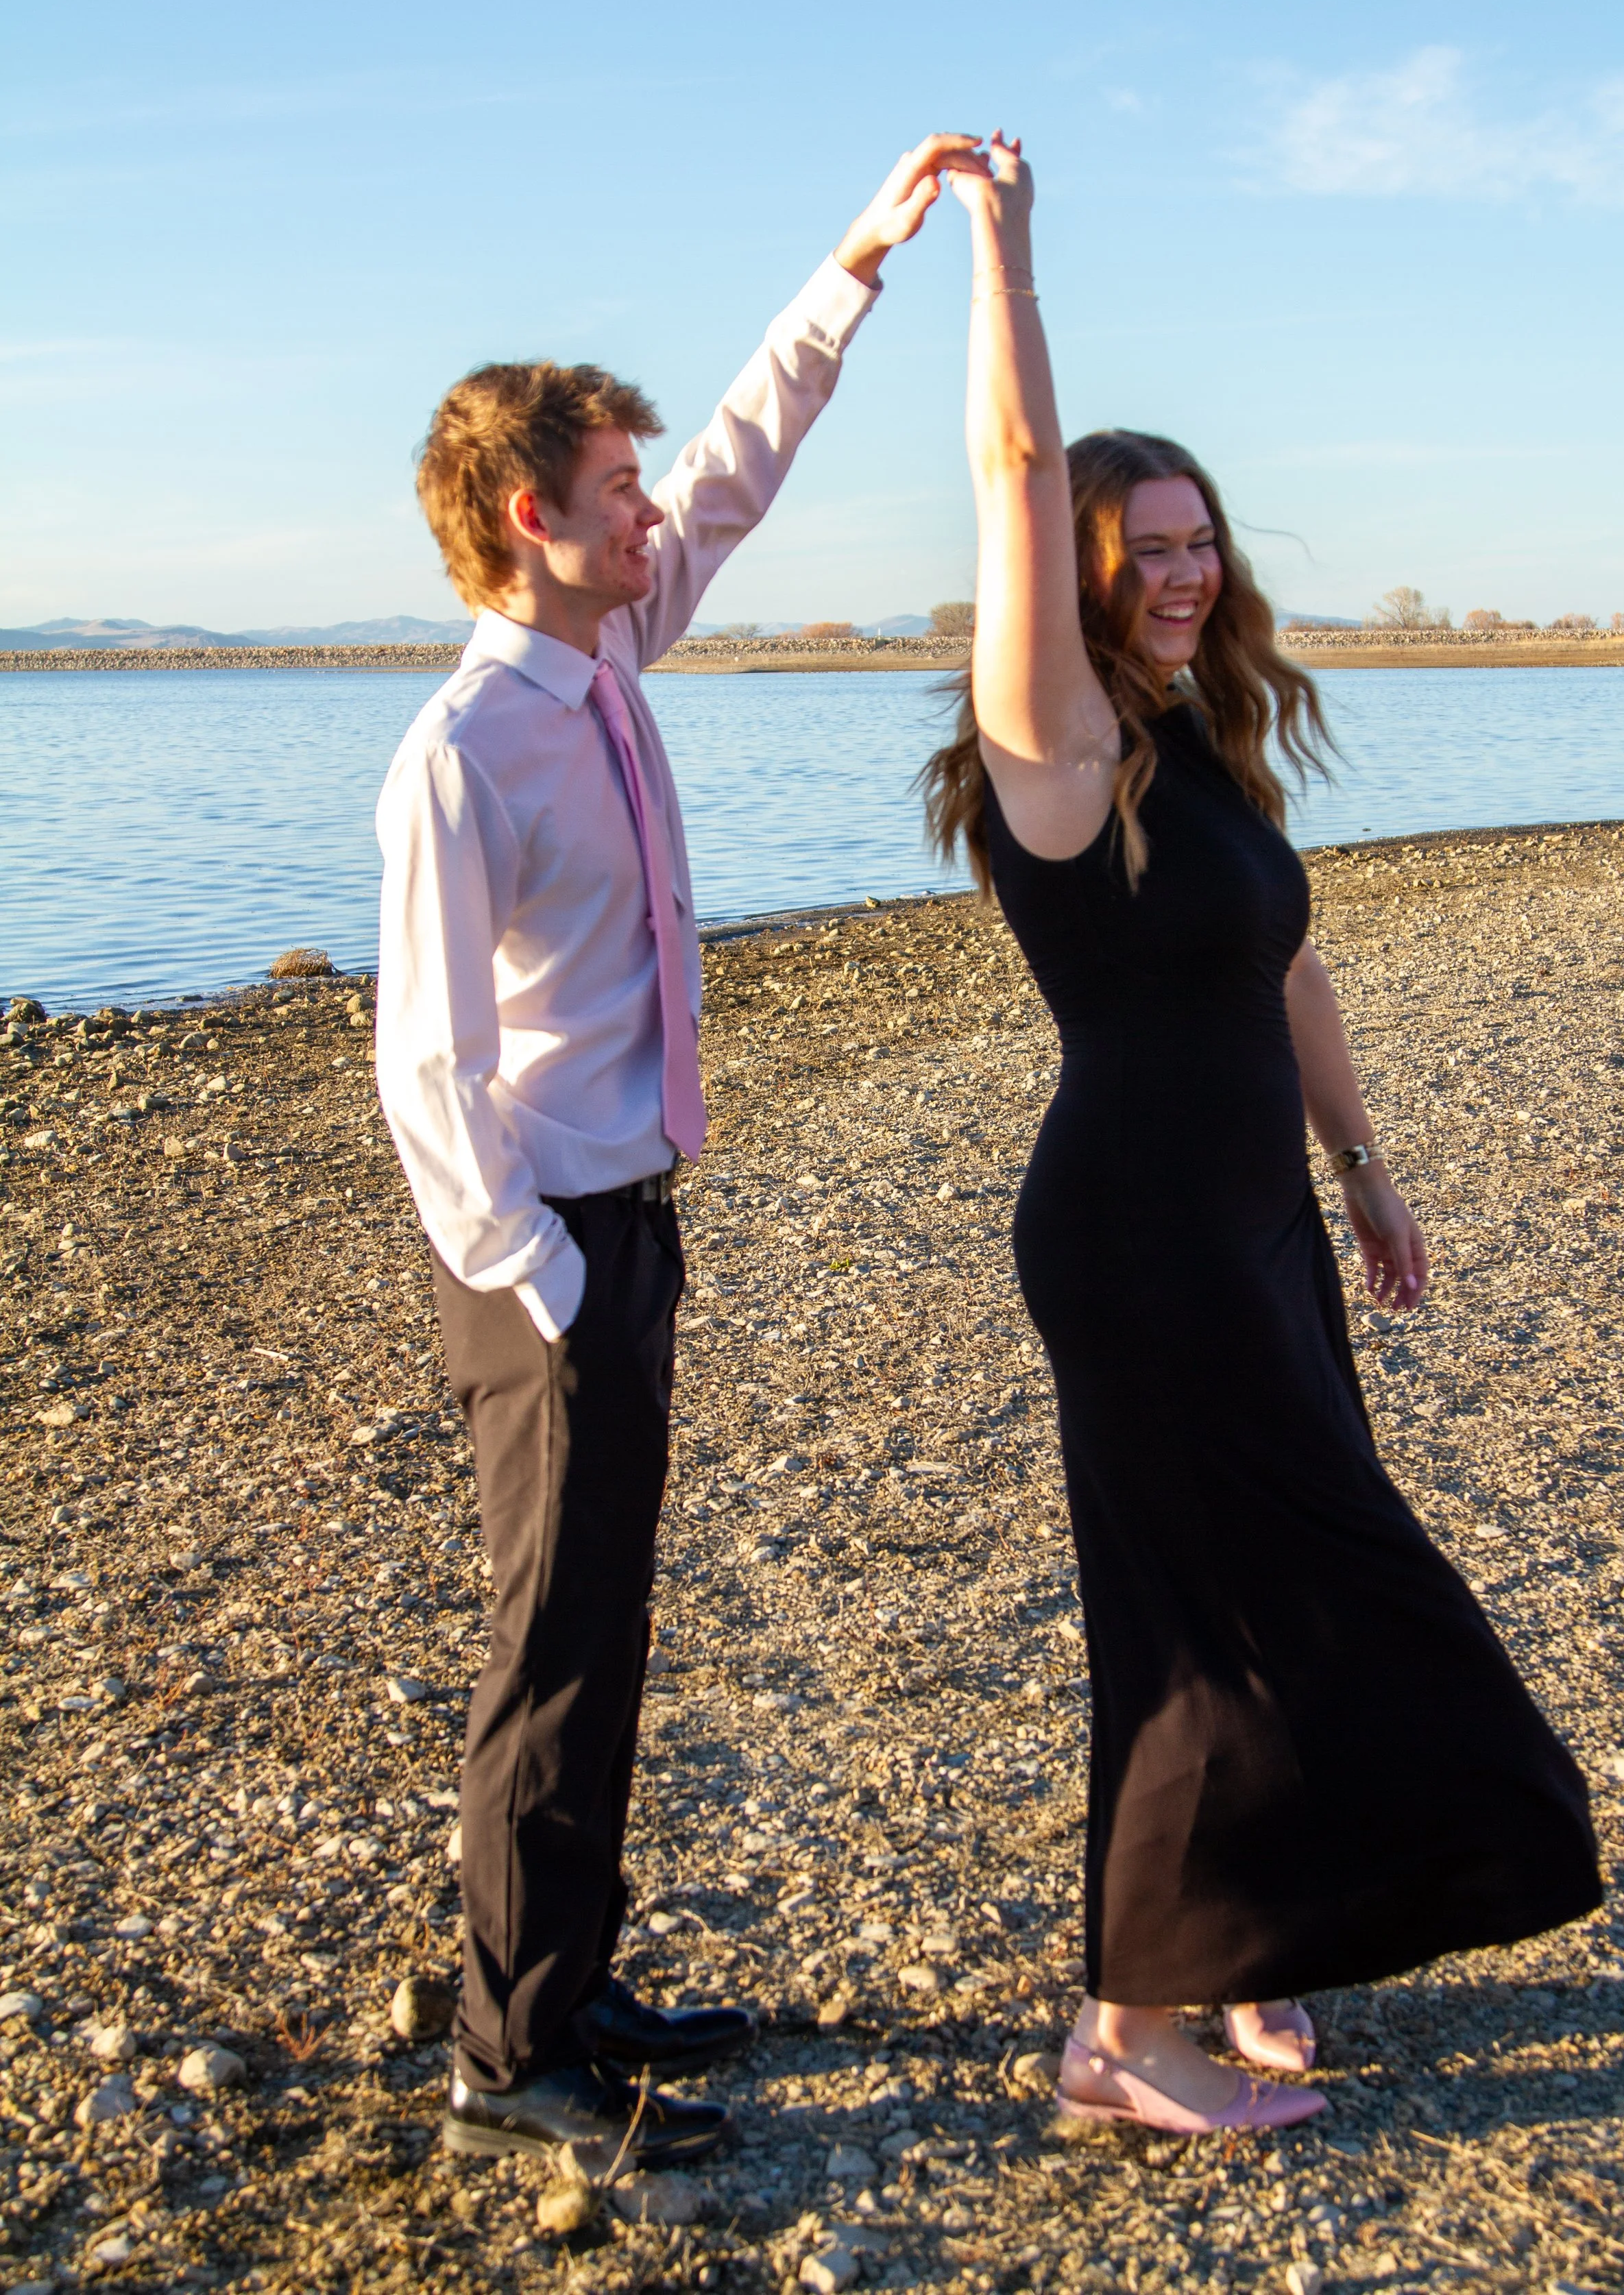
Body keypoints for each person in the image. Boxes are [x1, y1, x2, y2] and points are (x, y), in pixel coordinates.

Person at [924, 135, 1602, 2137]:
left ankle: (1243, 1952)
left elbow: (1282, 965)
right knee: (1207, 1604)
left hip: (1248, 1228)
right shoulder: (1050, 740)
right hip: (1136, 1237)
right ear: (1074, 559)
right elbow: (1000, 474)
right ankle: (1125, 2031)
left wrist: (1361, 1163)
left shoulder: (1198, 744)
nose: (1178, 567)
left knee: (1289, 1579)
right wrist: (1006, 254)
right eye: (1138, 540)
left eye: (1199, 536)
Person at [375, 134, 988, 2178]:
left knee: (607, 1627)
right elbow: (425, 1057)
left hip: (625, 1221)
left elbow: (739, 456)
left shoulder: (617, 650)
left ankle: (576, 1981)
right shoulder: (462, 753)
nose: (656, 510)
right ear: (526, 520)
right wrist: (541, 1274)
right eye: (616, 490)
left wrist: (858, 263)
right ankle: (507, 2064)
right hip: (541, 1246)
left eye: (644, 488)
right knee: (545, 1652)